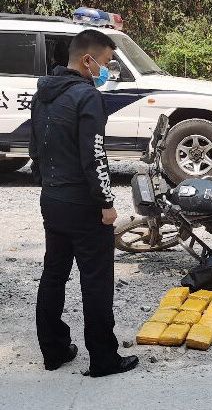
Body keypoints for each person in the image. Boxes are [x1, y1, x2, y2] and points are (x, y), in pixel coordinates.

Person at [29, 29, 139, 376]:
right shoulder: (87, 96)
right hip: (83, 204)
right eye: (106, 62)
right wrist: (106, 202)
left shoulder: (43, 94)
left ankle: (54, 351)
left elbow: (35, 150)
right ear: (87, 60)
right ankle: (103, 358)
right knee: (96, 280)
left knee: (54, 273)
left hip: (52, 199)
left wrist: (50, 187)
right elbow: (94, 155)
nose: (107, 70)